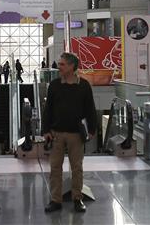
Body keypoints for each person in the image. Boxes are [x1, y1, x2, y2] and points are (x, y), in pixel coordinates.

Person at [43, 52, 97, 214]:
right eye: (59, 64)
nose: (58, 67)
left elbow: (90, 109)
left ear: (72, 66)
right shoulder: (54, 85)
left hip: (76, 134)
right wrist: (46, 130)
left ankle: (77, 198)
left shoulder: (84, 86)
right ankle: (55, 200)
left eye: (62, 64)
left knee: (77, 167)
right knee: (55, 167)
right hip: (56, 133)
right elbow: (48, 109)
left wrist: (92, 129)